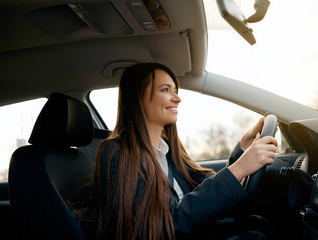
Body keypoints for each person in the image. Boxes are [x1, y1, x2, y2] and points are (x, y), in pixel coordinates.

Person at [86, 63, 278, 240]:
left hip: (190, 232)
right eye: (165, 90)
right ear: (138, 97)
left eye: (175, 90)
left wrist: (242, 148)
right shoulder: (117, 152)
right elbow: (161, 226)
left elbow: (204, 191)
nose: (177, 98)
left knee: (256, 222)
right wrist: (241, 168)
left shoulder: (166, 149)